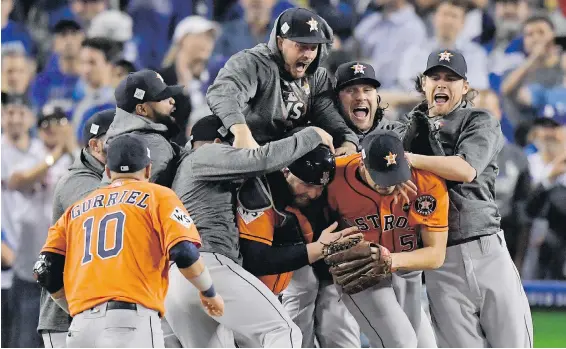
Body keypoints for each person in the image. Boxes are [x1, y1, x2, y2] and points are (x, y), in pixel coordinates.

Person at [34, 133, 224, 347]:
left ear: (107, 171)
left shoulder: (76, 208)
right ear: (148, 169)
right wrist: (209, 292)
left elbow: (45, 270)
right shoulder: (158, 195)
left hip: (81, 329)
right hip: (130, 321)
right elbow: (185, 252)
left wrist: (78, 310)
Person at [403, 48, 533, 347]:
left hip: (485, 248)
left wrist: (409, 158)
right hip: (440, 258)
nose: (442, 83)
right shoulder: (408, 127)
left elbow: (464, 170)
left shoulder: (480, 119)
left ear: (465, 87)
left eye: (451, 78)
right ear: (423, 83)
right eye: (435, 76)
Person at [168, 115, 334, 347]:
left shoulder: (183, 172)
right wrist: (311, 135)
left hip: (176, 280)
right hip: (208, 263)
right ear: (220, 141)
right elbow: (262, 159)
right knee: (283, 332)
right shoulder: (206, 154)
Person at [325, 129, 449, 347]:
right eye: (381, 176)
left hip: (407, 270)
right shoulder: (336, 177)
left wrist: (389, 259)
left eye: (394, 175)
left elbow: (436, 255)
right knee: (401, 343)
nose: (388, 184)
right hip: (360, 273)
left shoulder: (425, 182)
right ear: (361, 164)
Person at [236, 144, 362, 348]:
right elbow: (254, 259)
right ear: (286, 171)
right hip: (244, 287)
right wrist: (318, 249)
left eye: (320, 187)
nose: (313, 193)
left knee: (309, 289)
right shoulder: (260, 191)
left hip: (296, 273)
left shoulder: (324, 188)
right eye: (307, 184)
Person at [207, 7, 358, 154]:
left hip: (286, 159)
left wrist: (347, 141)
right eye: (301, 46)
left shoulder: (317, 77)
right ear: (280, 43)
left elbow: (330, 118)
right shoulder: (253, 63)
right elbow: (222, 93)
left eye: (313, 48)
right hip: (245, 151)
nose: (308, 55)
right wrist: (241, 131)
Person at [37, 109, 115, 348]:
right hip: (65, 315)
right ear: (95, 145)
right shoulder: (78, 180)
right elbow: (106, 213)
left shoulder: (109, 176)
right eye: (116, 138)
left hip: (95, 310)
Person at [104, 69, 185, 187]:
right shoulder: (151, 144)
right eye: (162, 97)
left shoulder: (120, 141)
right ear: (142, 110)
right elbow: (128, 196)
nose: (172, 100)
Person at [334, 61, 384, 143]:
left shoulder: (397, 134)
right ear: (336, 99)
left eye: (367, 90)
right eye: (350, 90)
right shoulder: (325, 139)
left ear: (377, 98)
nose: (361, 97)